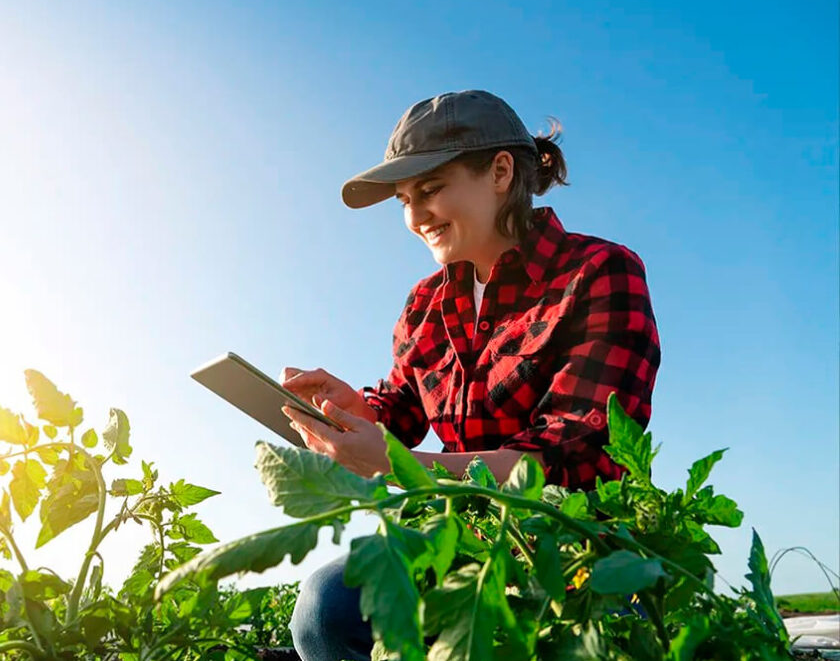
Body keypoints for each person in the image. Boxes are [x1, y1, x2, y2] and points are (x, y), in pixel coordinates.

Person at [278, 90, 662, 661]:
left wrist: (400, 464)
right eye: (405, 199)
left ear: (501, 172)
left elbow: (569, 454)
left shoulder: (599, 272)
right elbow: (401, 408)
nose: (414, 217)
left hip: (580, 549)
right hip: (466, 538)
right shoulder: (426, 304)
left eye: (431, 190)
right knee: (325, 609)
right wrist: (354, 412)